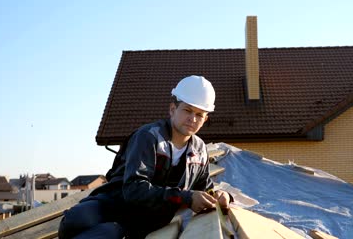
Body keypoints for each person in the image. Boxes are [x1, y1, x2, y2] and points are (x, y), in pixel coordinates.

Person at [59, 75, 231, 238]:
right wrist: (186, 197)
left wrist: (221, 196)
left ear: (205, 118)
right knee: (78, 219)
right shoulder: (149, 137)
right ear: (173, 109)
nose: (193, 119)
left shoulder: (199, 150)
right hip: (114, 205)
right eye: (187, 110)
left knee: (110, 233)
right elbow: (135, 190)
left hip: (143, 221)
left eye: (200, 114)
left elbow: (204, 188)